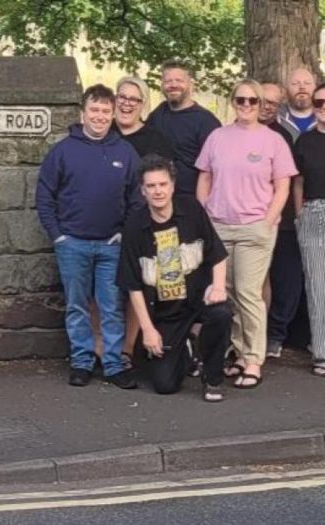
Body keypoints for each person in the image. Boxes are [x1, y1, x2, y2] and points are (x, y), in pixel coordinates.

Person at [36, 84, 141, 389]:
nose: (100, 116)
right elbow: (45, 196)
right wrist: (58, 236)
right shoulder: (63, 151)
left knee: (112, 307)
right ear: (83, 113)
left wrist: (123, 233)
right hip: (73, 243)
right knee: (77, 306)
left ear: (113, 114)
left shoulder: (125, 152)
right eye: (94, 110)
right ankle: (81, 361)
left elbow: (137, 198)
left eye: (106, 111)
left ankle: (113, 363)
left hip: (111, 245)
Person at [195, 79, 297, 389]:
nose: (247, 105)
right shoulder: (217, 137)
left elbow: (283, 186)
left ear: (260, 104)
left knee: (249, 292)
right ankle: (239, 353)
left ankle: (254, 359)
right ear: (233, 102)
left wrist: (268, 220)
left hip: (255, 227)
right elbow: (204, 177)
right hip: (219, 226)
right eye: (241, 100)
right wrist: (205, 215)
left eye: (253, 100)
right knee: (227, 293)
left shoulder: (273, 141)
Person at [119, 155, 230, 401]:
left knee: (221, 314)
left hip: (198, 298)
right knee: (164, 384)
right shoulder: (135, 226)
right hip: (166, 311)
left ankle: (213, 379)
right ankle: (187, 349)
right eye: (151, 186)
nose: (158, 191)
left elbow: (217, 254)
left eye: (163, 184)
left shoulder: (191, 209)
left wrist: (218, 287)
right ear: (143, 191)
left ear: (172, 186)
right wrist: (147, 330)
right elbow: (133, 285)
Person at [113, 76, 174, 369]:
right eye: (122, 97)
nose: (126, 104)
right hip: (106, 223)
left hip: (143, 223)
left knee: (139, 286)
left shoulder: (154, 140)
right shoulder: (104, 131)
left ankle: (128, 348)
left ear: (143, 104)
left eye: (133, 99)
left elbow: (164, 183)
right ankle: (102, 347)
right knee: (103, 290)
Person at [262, 79, 306, 359]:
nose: (266, 107)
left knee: (286, 279)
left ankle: (276, 335)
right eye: (261, 100)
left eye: (273, 103)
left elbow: (295, 180)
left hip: (284, 219)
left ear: (280, 106)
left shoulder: (288, 136)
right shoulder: (230, 134)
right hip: (247, 219)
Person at [146, 61, 222, 196]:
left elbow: (217, 168)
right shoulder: (157, 114)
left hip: (191, 198)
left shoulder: (206, 122)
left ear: (191, 84)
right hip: (159, 195)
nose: (173, 85)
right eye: (168, 81)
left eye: (179, 80)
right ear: (162, 85)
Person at [292, 81, 325, 377]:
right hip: (313, 212)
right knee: (317, 285)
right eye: (318, 103)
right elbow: (298, 181)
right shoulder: (304, 141)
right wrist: (298, 214)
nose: (323, 107)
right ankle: (322, 352)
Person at [278, 68, 318, 139]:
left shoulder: (322, 117)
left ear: (315, 88)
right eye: (295, 83)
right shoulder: (275, 117)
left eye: (307, 83)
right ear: (285, 89)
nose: (302, 87)